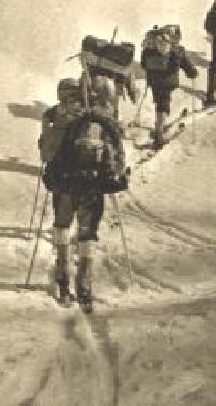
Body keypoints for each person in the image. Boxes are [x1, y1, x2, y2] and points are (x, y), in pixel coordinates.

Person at [39, 76, 128, 311]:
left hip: (65, 186)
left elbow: (47, 154)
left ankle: (62, 278)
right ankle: (85, 287)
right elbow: (117, 161)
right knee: (87, 237)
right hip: (92, 188)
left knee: (62, 228)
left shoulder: (64, 120)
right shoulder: (105, 123)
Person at [140, 24, 198, 149]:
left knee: (159, 103)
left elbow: (143, 64)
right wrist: (192, 73)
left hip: (154, 82)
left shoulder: (150, 49)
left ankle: (159, 125)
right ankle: (159, 133)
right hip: (167, 82)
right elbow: (186, 65)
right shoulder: (177, 50)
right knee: (164, 104)